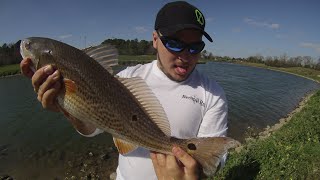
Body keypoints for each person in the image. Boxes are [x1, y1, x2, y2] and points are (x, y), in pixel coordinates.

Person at [20, 1, 228, 179]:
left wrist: (194, 175)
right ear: (155, 40)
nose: (185, 55)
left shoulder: (213, 95)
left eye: (195, 47)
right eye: (175, 43)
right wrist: (67, 108)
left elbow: (213, 163)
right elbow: (92, 129)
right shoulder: (127, 78)